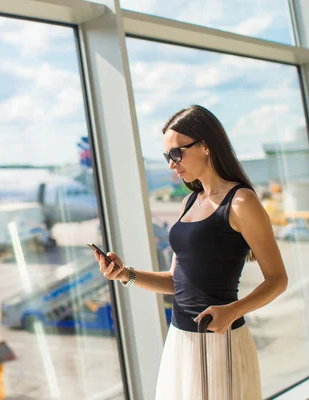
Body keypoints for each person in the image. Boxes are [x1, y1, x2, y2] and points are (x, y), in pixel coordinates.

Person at [94, 105, 288, 399]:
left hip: (219, 343)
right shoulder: (190, 201)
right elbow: (176, 282)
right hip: (180, 340)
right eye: (167, 156)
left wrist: (234, 310)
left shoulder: (241, 202)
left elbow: (277, 279)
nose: (172, 164)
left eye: (176, 153)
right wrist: (125, 275)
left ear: (206, 146)